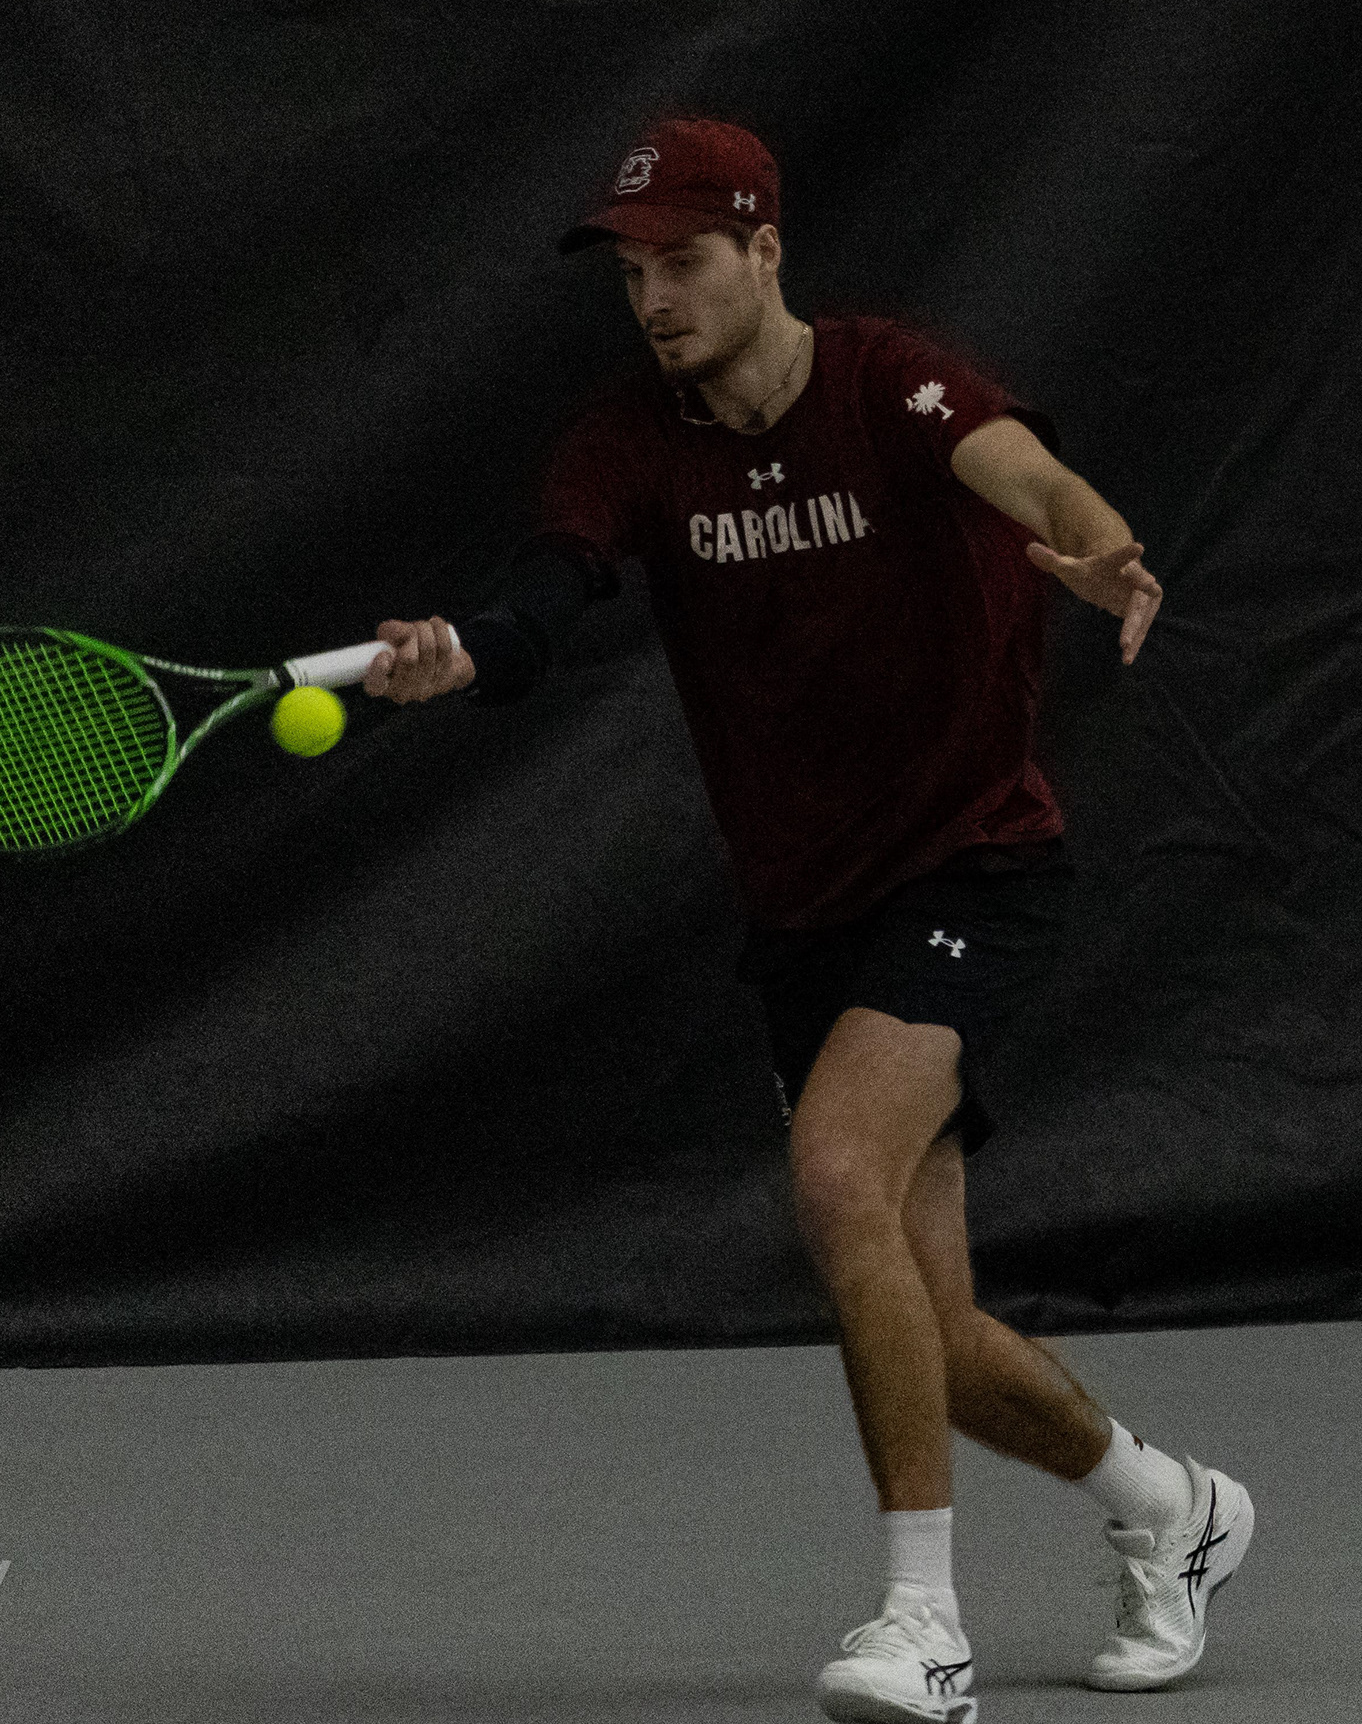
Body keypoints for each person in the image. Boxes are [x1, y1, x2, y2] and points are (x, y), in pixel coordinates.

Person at [362, 115, 1252, 1724]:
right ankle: (1173, 1509)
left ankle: (924, 1627)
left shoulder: (888, 383)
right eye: (632, 274)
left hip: (969, 863)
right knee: (932, 1327)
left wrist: (1089, 533)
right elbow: (551, 587)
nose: (656, 299)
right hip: (803, 907)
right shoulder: (629, 441)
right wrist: (465, 653)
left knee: (839, 1173)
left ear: (766, 252)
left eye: (687, 262)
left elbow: (1016, 467)